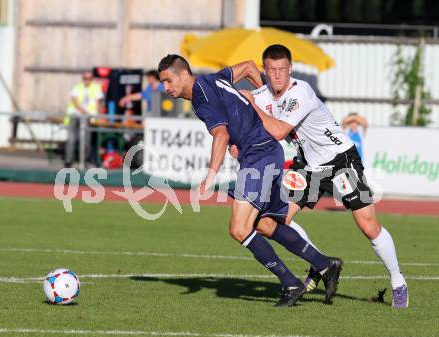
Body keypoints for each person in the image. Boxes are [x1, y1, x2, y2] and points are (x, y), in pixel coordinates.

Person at [158, 54, 342, 307]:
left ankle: (290, 283)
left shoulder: (201, 98)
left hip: (259, 155)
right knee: (265, 225)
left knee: (239, 228)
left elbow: (220, 134)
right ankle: (324, 264)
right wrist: (264, 98)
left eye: (168, 81)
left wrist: (211, 175)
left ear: (182, 74)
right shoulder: (214, 79)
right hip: (265, 151)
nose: (165, 88)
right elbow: (247, 67)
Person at [238, 44, 408, 308]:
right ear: (265, 71)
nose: (277, 75)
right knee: (269, 221)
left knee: (368, 225)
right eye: (271, 70)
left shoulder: (300, 92)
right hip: (307, 166)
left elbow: (280, 130)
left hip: (342, 160)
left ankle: (398, 281)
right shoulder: (263, 95)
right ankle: (320, 263)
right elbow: (246, 111)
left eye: (282, 69)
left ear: (290, 69)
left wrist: (251, 104)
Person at [63, 71, 104, 167]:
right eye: (85, 78)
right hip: (75, 115)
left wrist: (98, 116)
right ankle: (69, 161)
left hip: (88, 117)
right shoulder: (77, 87)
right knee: (71, 138)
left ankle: (84, 160)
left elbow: (98, 104)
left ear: (92, 79)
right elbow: (75, 103)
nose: (87, 80)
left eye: (89, 78)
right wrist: (85, 112)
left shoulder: (96, 88)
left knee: (86, 139)